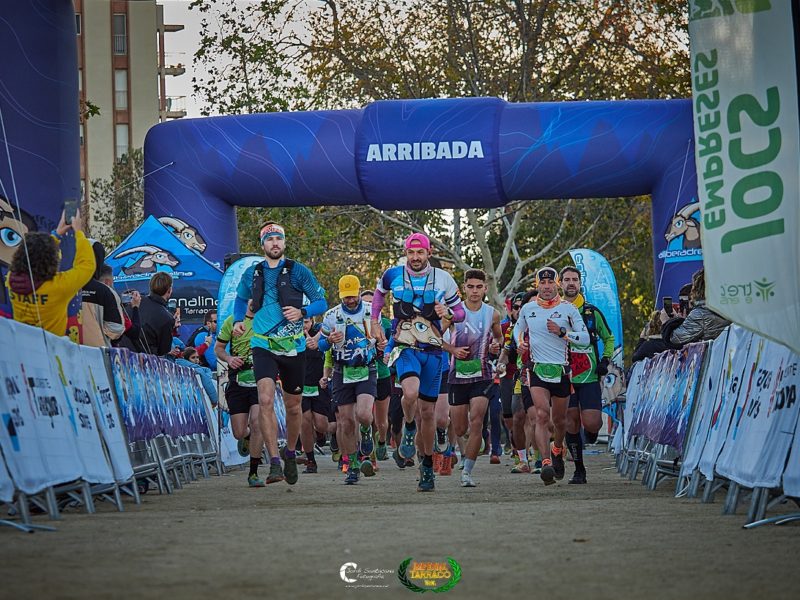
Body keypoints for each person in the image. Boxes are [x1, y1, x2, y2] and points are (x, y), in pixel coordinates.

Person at [231, 222, 327, 486]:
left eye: (278, 239)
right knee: (264, 398)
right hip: (262, 343)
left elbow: (322, 301)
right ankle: (273, 462)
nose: (274, 243)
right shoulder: (253, 273)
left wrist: (303, 312)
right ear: (262, 245)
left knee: (293, 407)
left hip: (293, 346)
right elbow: (240, 300)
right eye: (269, 239)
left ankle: (290, 451)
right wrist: (239, 320)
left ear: (284, 243)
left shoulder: (298, 271)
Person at [370, 232, 466, 492]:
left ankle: (426, 467)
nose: (415, 258)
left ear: (428, 253)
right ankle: (408, 427)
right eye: (411, 253)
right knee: (409, 393)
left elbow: (460, 311)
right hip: (405, 346)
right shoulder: (393, 274)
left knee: (428, 413)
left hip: (433, 351)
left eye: (420, 253)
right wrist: (374, 320)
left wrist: (448, 312)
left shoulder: (443, 278)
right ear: (406, 253)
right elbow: (379, 295)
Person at [514, 266, 590, 485]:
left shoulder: (569, 309)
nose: (546, 287)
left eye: (550, 283)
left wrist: (563, 332)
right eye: (542, 283)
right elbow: (518, 330)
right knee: (541, 415)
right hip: (536, 368)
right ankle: (546, 463)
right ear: (537, 285)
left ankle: (557, 449)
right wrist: (520, 344)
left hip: (561, 371)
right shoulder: (528, 308)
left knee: (559, 421)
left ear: (556, 284)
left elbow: (584, 339)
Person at [444, 269, 503, 487]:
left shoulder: (492, 313)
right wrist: (452, 350)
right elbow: (432, 336)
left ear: (485, 288)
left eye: (479, 287)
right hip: (456, 375)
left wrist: (497, 346)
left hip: (483, 373)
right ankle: (467, 448)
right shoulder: (453, 312)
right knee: (460, 429)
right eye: (471, 287)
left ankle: (467, 472)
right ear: (464, 288)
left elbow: (499, 339)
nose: (475, 291)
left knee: (477, 422)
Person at [318, 275, 379, 484]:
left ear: (359, 291)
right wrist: (328, 340)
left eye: (352, 296)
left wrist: (380, 342)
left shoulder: (372, 310)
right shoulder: (331, 315)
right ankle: (353, 465)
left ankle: (367, 430)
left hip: (365, 368)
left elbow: (382, 335)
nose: (349, 301)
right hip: (341, 371)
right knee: (345, 421)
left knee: (363, 414)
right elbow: (320, 345)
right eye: (346, 297)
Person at [560, 265, 615, 484]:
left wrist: (605, 360)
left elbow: (608, 337)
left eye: (574, 279)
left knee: (592, 423)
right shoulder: (555, 311)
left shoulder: (591, 312)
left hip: (589, 375)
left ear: (580, 283)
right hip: (564, 376)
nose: (571, 283)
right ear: (560, 284)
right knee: (570, 422)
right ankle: (579, 470)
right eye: (566, 279)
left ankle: (590, 435)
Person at [7, 209, 95, 337]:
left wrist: (56, 234)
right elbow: (87, 265)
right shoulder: (59, 286)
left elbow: (36, 252)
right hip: (50, 350)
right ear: (52, 259)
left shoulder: (12, 280)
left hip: (22, 346)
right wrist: (78, 233)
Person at [215, 301, 268, 487]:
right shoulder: (233, 321)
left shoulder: (266, 321)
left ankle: (253, 472)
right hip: (237, 381)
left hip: (260, 382)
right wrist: (229, 358)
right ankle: (246, 437)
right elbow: (218, 348)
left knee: (256, 423)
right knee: (238, 432)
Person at [359, 289, 392, 462]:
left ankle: (381, 442)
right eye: (364, 303)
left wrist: (384, 347)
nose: (368, 307)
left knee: (381, 421)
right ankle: (368, 456)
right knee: (365, 417)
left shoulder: (386, 324)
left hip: (382, 375)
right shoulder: (355, 322)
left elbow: (392, 346)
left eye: (371, 304)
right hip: (363, 375)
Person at [663, 268, 730, 348]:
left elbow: (674, 339)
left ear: (697, 288)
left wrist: (669, 321)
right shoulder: (731, 308)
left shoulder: (700, 313)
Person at [299, 316, 329, 474]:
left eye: (306, 321)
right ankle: (311, 461)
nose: (303, 325)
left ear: (312, 322)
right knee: (305, 422)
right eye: (301, 321)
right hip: (301, 386)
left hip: (319, 386)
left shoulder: (320, 334)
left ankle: (320, 433)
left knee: (322, 424)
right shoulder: (293, 337)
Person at [81, 251, 125, 347]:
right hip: (97, 352)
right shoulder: (106, 291)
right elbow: (116, 329)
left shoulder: (64, 286)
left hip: (64, 351)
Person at [138, 272, 180, 357]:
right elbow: (164, 350)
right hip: (148, 360)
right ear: (169, 290)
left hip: (123, 356)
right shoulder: (167, 318)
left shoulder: (136, 301)